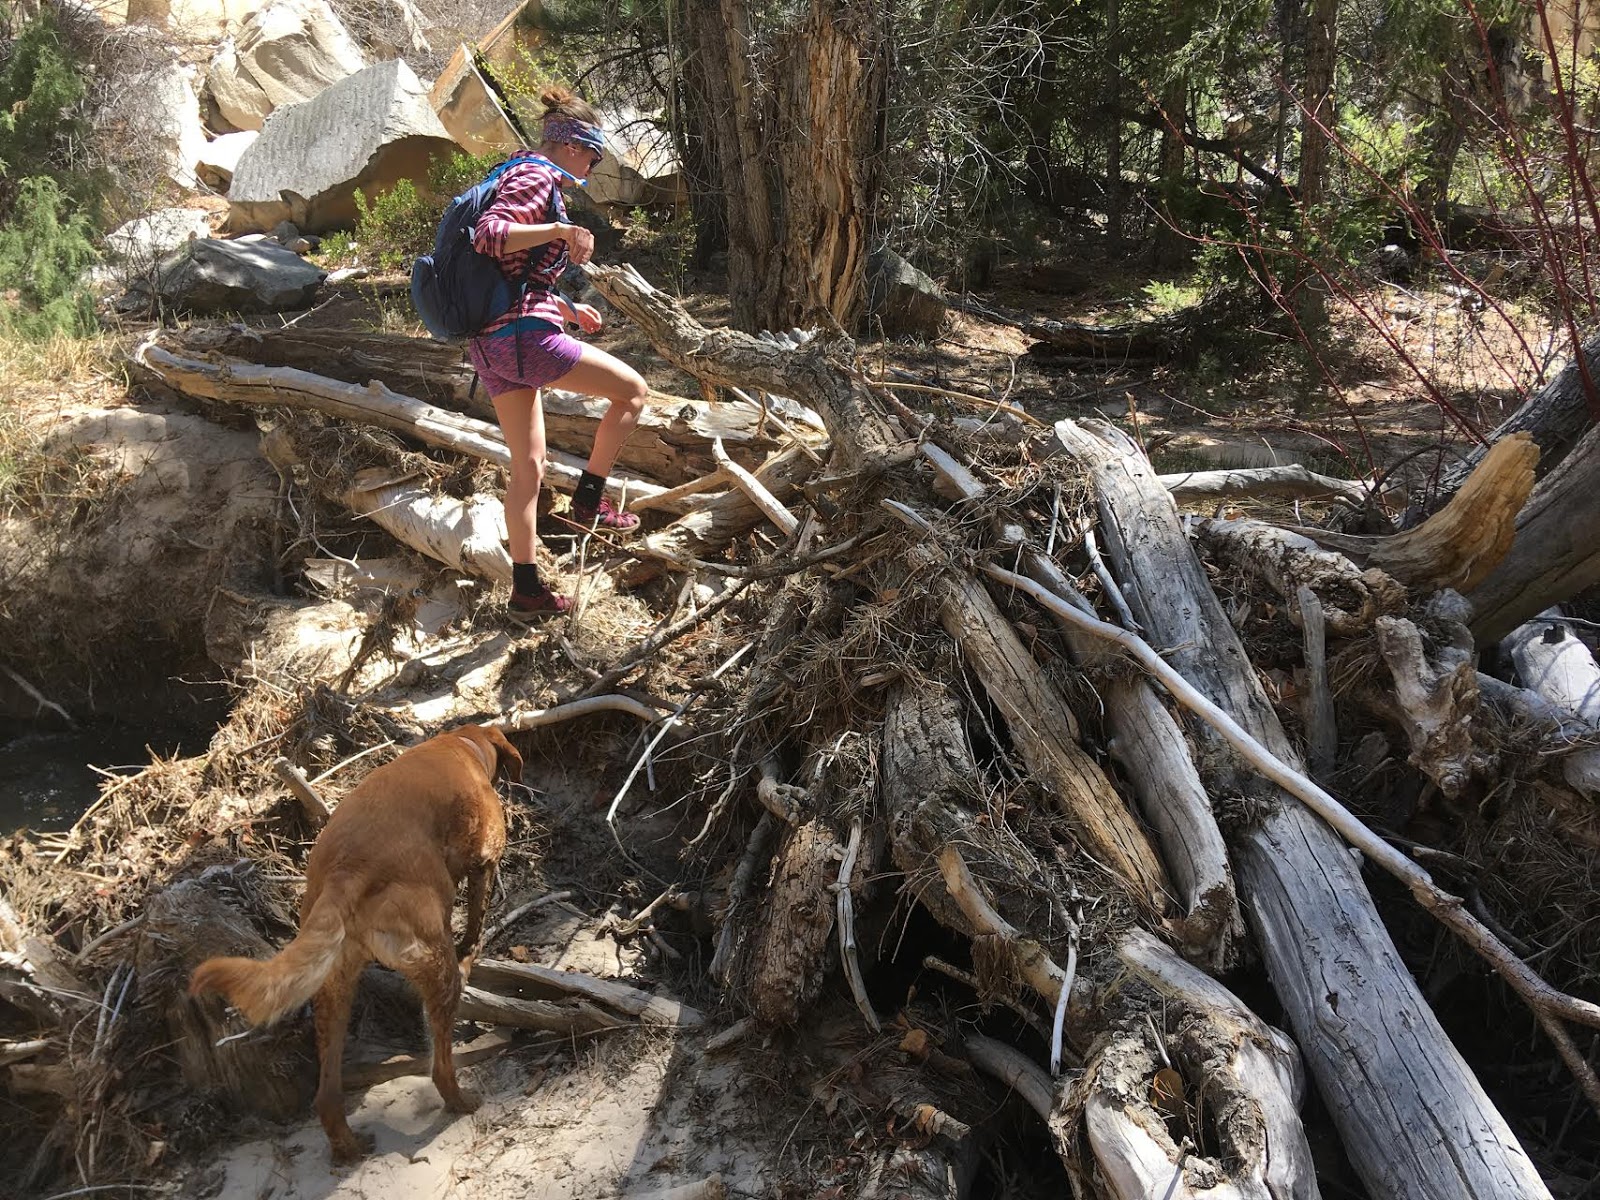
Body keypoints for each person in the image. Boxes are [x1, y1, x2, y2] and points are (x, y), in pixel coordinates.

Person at [470, 86, 648, 622]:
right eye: (593, 154)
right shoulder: (536, 175)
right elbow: (490, 235)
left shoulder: (511, 173)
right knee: (635, 394)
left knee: (528, 466)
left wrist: (568, 309)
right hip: (524, 341)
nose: (593, 165)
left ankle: (526, 591)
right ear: (571, 145)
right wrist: (561, 229)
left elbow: (512, 273)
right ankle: (590, 500)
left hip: (491, 344)